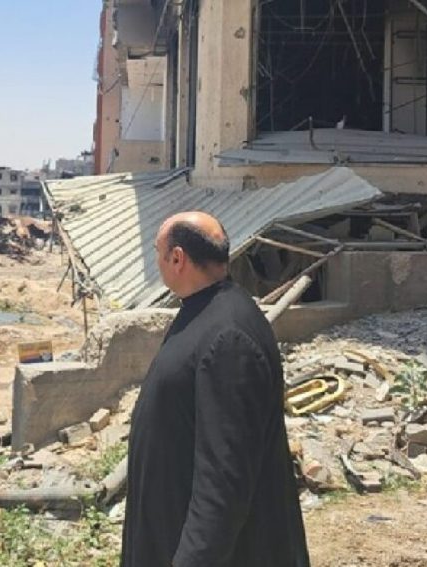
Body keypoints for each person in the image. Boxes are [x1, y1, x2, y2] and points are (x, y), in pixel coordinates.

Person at [121, 212, 310, 567]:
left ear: (177, 258)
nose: (157, 261)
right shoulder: (208, 311)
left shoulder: (228, 337)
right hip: (169, 528)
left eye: (158, 252)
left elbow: (224, 476)